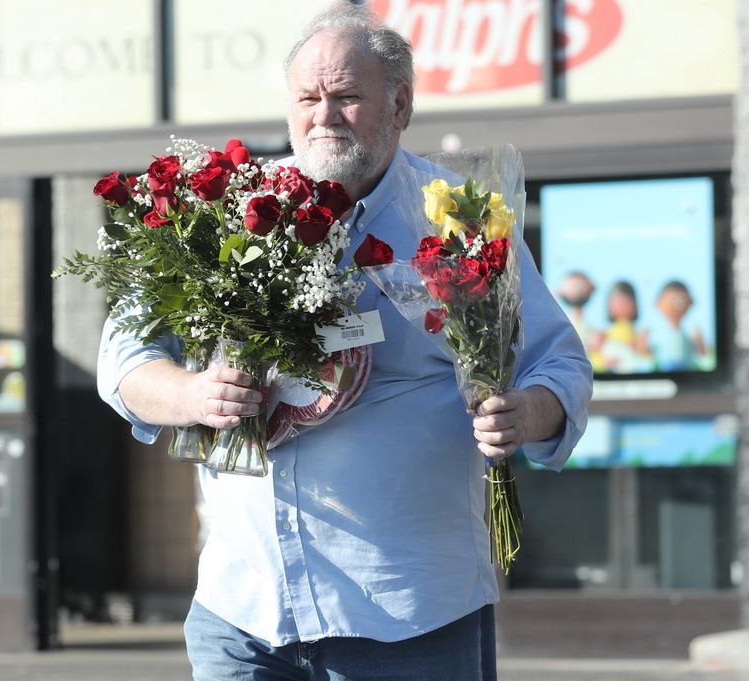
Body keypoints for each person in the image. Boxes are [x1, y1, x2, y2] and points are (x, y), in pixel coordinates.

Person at [97, 5, 592, 680]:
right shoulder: (230, 206)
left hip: (408, 613)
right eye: (308, 97)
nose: (324, 115)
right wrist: (190, 393)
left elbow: (557, 362)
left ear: (402, 105)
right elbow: (123, 357)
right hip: (244, 613)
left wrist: (524, 414)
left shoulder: (459, 215)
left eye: (348, 96)